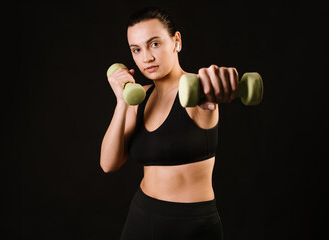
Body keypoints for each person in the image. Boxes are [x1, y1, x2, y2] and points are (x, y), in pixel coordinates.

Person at [100, 7, 238, 240]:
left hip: (191, 226)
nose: (146, 57)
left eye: (154, 44)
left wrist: (218, 86)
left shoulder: (195, 92)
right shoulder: (139, 97)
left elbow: (209, 95)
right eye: (137, 49)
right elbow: (108, 164)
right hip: (141, 217)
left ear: (176, 41)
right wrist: (121, 101)